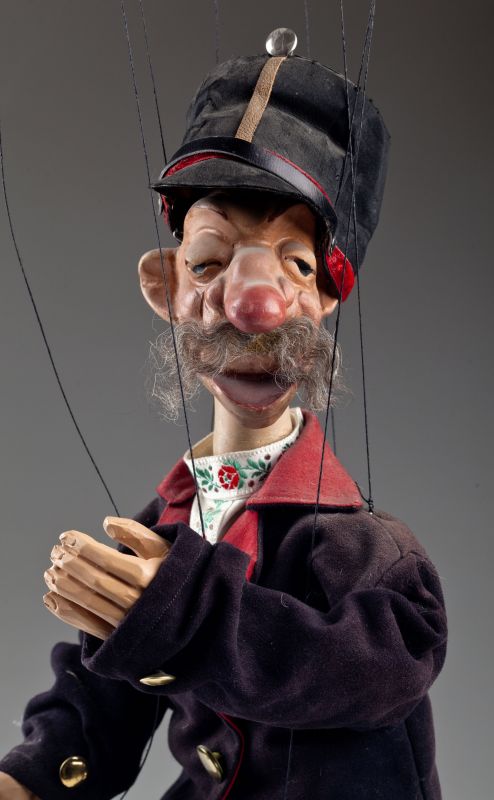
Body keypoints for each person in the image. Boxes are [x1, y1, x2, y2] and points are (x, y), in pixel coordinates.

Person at [0, 30, 448, 800]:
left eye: (295, 265)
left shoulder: (367, 551)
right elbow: (99, 711)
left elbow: (381, 667)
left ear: (325, 299)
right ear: (165, 287)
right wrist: (33, 778)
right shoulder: (169, 524)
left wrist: (182, 616)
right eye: (209, 262)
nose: (254, 306)